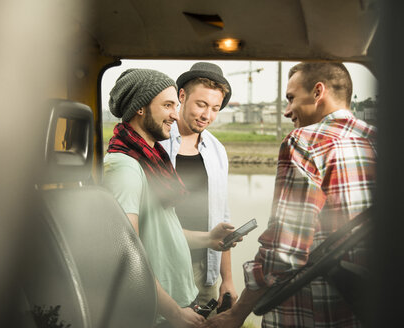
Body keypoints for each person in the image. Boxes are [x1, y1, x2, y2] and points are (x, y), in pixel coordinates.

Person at [200, 62, 377, 328]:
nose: (286, 111)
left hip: (311, 311)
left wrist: (238, 314)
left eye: (291, 98)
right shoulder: (379, 140)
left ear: (318, 92)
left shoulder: (305, 141)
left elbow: (284, 249)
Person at [102, 68, 237, 328]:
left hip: (179, 292)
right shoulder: (127, 166)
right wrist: (174, 312)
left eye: (215, 108)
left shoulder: (154, 159)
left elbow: (164, 230)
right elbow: (126, 253)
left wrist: (209, 240)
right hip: (159, 303)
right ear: (140, 107)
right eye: (168, 105)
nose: (174, 115)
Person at [160, 62, 238, 311]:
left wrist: (228, 279)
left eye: (215, 108)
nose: (207, 116)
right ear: (181, 96)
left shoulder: (217, 150)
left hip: (205, 271)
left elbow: (222, 217)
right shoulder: (157, 145)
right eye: (201, 104)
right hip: (163, 268)